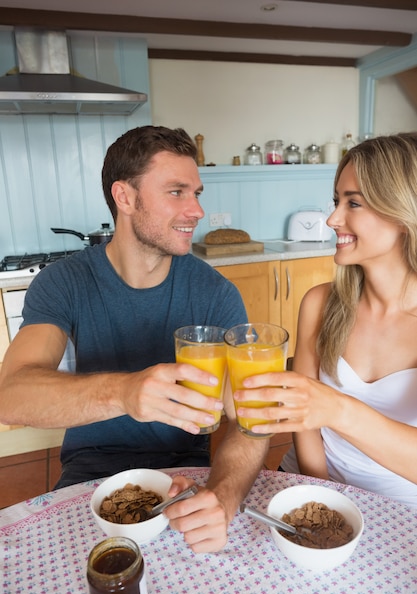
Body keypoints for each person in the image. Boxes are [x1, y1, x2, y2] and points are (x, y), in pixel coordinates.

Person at [0, 125, 269, 551]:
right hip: (89, 474)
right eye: (177, 192)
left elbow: (249, 420)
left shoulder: (215, 293)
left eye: (196, 193)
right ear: (125, 197)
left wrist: (224, 495)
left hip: (187, 475)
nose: (197, 210)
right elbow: (11, 394)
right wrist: (125, 392)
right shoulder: (63, 282)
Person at [232, 132, 417, 509]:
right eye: (336, 201)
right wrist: (320, 499)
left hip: (398, 510)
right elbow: (306, 426)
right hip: (307, 486)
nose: (333, 219)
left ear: (402, 213)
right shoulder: (320, 303)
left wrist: (335, 407)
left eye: (354, 203)